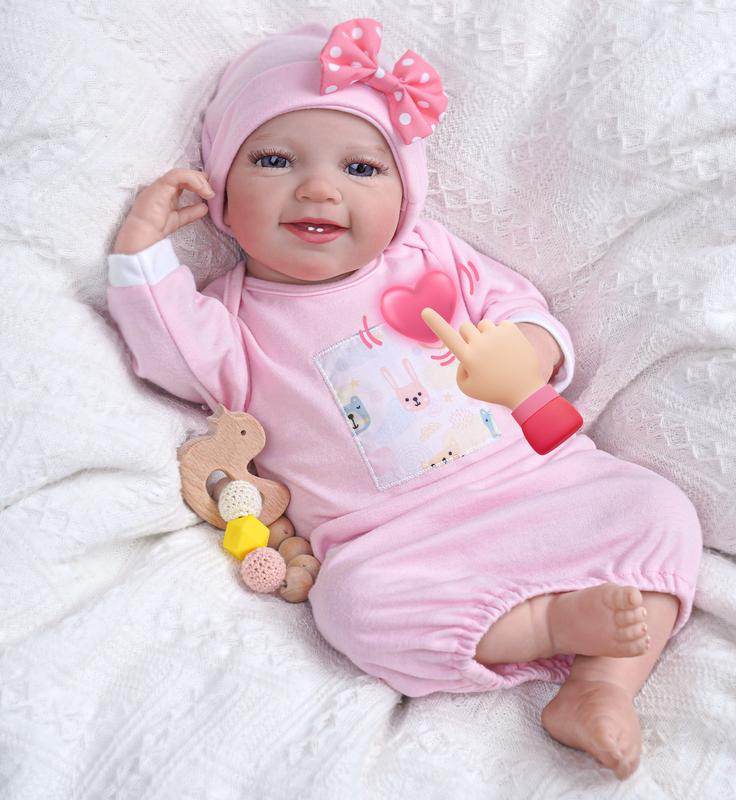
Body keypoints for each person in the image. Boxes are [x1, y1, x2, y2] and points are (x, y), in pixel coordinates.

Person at [106, 17, 703, 781]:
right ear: (220, 194)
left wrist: (526, 352)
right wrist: (142, 248)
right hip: (395, 544)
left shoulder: (431, 254)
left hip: (540, 487)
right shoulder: (231, 319)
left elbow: (524, 311)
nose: (318, 188)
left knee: (657, 511)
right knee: (352, 609)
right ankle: (552, 625)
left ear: (405, 196)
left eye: (361, 167)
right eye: (275, 160)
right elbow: (164, 348)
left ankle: (604, 685)